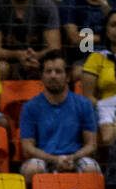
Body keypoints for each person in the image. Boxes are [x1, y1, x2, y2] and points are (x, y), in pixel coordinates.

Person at [19, 50, 102, 182]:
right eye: (48, 71)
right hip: (44, 159)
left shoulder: (84, 104)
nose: (53, 76)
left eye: (58, 71)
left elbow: (91, 145)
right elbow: (27, 147)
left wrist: (71, 158)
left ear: (67, 77)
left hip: (75, 158)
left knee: (91, 168)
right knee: (31, 169)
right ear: (42, 76)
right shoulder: (30, 107)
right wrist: (55, 159)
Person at [0, 0, 61, 81]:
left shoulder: (46, 6)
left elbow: (55, 48)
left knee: (52, 67)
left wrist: (36, 56)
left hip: (39, 60)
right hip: (7, 61)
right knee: (1, 67)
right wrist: (17, 55)